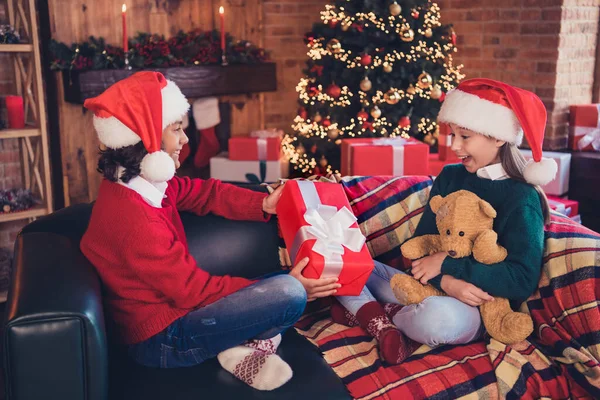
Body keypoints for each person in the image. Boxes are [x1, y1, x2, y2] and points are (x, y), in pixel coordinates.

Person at [80, 71, 340, 391]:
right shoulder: (135, 218)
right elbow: (194, 292)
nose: (185, 140)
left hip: (179, 312)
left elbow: (205, 194)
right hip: (163, 340)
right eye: (176, 130)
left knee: (281, 284)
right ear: (146, 136)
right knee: (290, 293)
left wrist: (263, 204)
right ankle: (239, 344)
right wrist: (288, 286)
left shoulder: (138, 183)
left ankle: (237, 345)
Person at [330, 78, 556, 365]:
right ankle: (382, 322)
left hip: (476, 308)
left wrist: (452, 269)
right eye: (452, 135)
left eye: (465, 137)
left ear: (498, 137)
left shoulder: (522, 198)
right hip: (426, 285)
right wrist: (445, 279)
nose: (455, 146)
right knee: (344, 262)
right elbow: (422, 245)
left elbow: (522, 280)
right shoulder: (450, 176)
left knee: (435, 320)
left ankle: (368, 313)